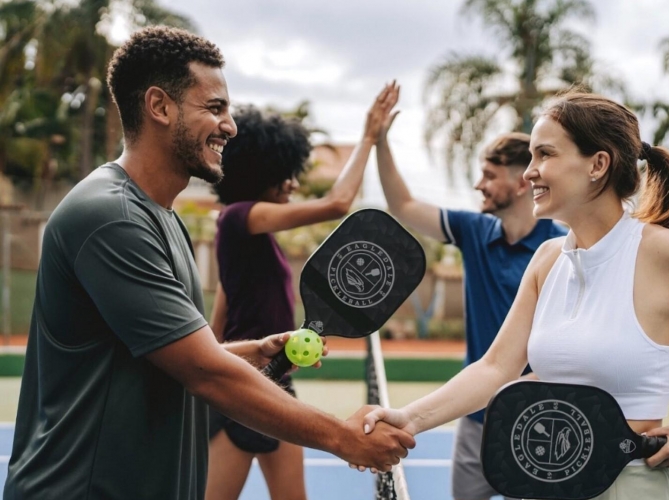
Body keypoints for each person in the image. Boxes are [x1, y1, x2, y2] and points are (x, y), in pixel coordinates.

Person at [3, 26, 414, 500]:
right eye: (214, 108)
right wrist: (342, 438)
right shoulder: (111, 218)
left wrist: (252, 352)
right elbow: (205, 372)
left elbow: (173, 357)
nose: (230, 126)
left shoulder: (164, 219)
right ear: (159, 107)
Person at [359, 91, 669, 499]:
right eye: (531, 156)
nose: (529, 172)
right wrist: (408, 418)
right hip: (545, 488)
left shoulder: (668, 253)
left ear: (598, 164)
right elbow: (495, 368)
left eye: (545, 154)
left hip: (630, 487)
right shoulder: (547, 259)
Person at [373, 83, 565, 500]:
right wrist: (381, 142)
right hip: (476, 418)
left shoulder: (564, 248)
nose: (479, 185)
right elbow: (403, 206)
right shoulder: (474, 231)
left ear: (522, 184)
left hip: (539, 424)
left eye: (490, 176)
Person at [206, 85, 398, 500]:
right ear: (259, 173)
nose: (293, 183)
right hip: (246, 385)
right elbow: (338, 203)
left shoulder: (249, 235)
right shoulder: (240, 217)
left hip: (275, 381)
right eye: (285, 174)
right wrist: (368, 136)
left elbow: (222, 307)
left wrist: (215, 357)